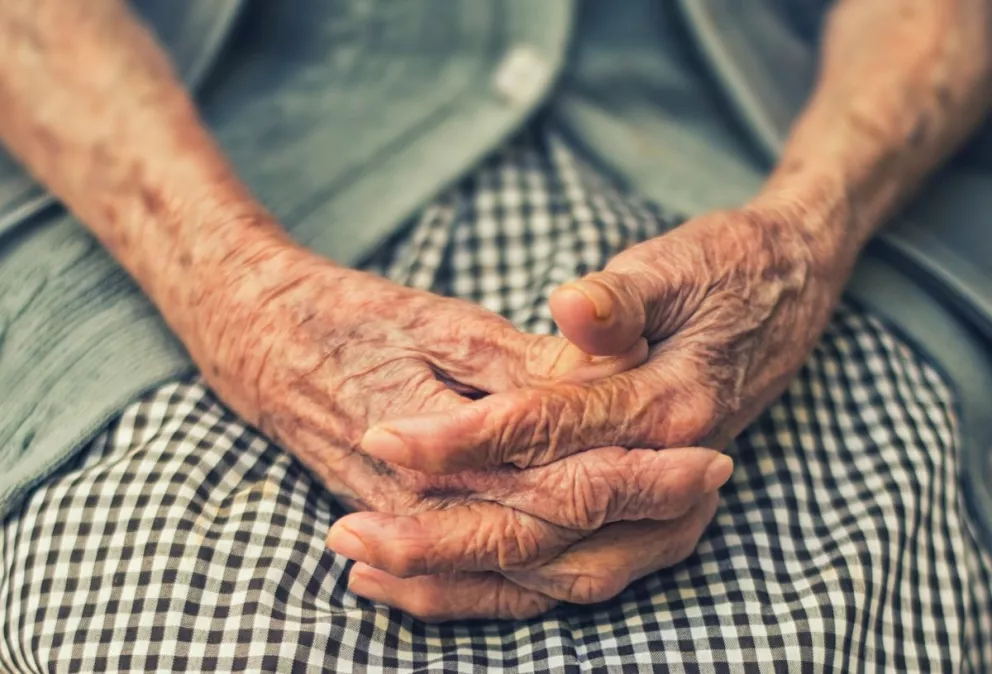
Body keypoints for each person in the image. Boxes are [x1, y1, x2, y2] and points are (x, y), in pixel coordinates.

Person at [0, 0, 990, 671]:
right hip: (176, 208)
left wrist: (806, 233)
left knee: (842, 613)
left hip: (784, 181)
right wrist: (232, 287)